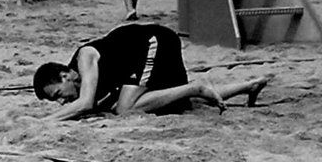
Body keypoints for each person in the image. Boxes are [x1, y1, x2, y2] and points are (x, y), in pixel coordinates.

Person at [32, 22, 271, 120]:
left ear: (65, 76)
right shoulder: (88, 82)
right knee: (179, 101)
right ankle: (249, 86)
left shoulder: (84, 58)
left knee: (126, 108)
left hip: (152, 42)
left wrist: (45, 121)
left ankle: (197, 85)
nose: (62, 101)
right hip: (147, 54)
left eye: (58, 94)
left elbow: (84, 103)